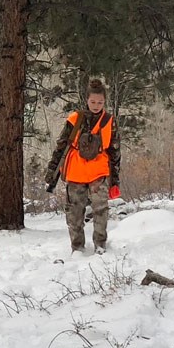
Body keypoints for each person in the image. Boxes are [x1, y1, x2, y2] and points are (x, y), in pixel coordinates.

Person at [45, 78, 121, 254]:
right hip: (76, 172)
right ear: (86, 100)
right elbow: (61, 145)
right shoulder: (75, 119)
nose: (96, 105)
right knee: (74, 212)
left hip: (98, 172)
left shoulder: (110, 121)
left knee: (101, 209)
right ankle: (77, 247)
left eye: (100, 102)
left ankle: (100, 244)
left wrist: (115, 180)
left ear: (105, 102)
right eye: (93, 101)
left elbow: (115, 152)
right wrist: (52, 169)